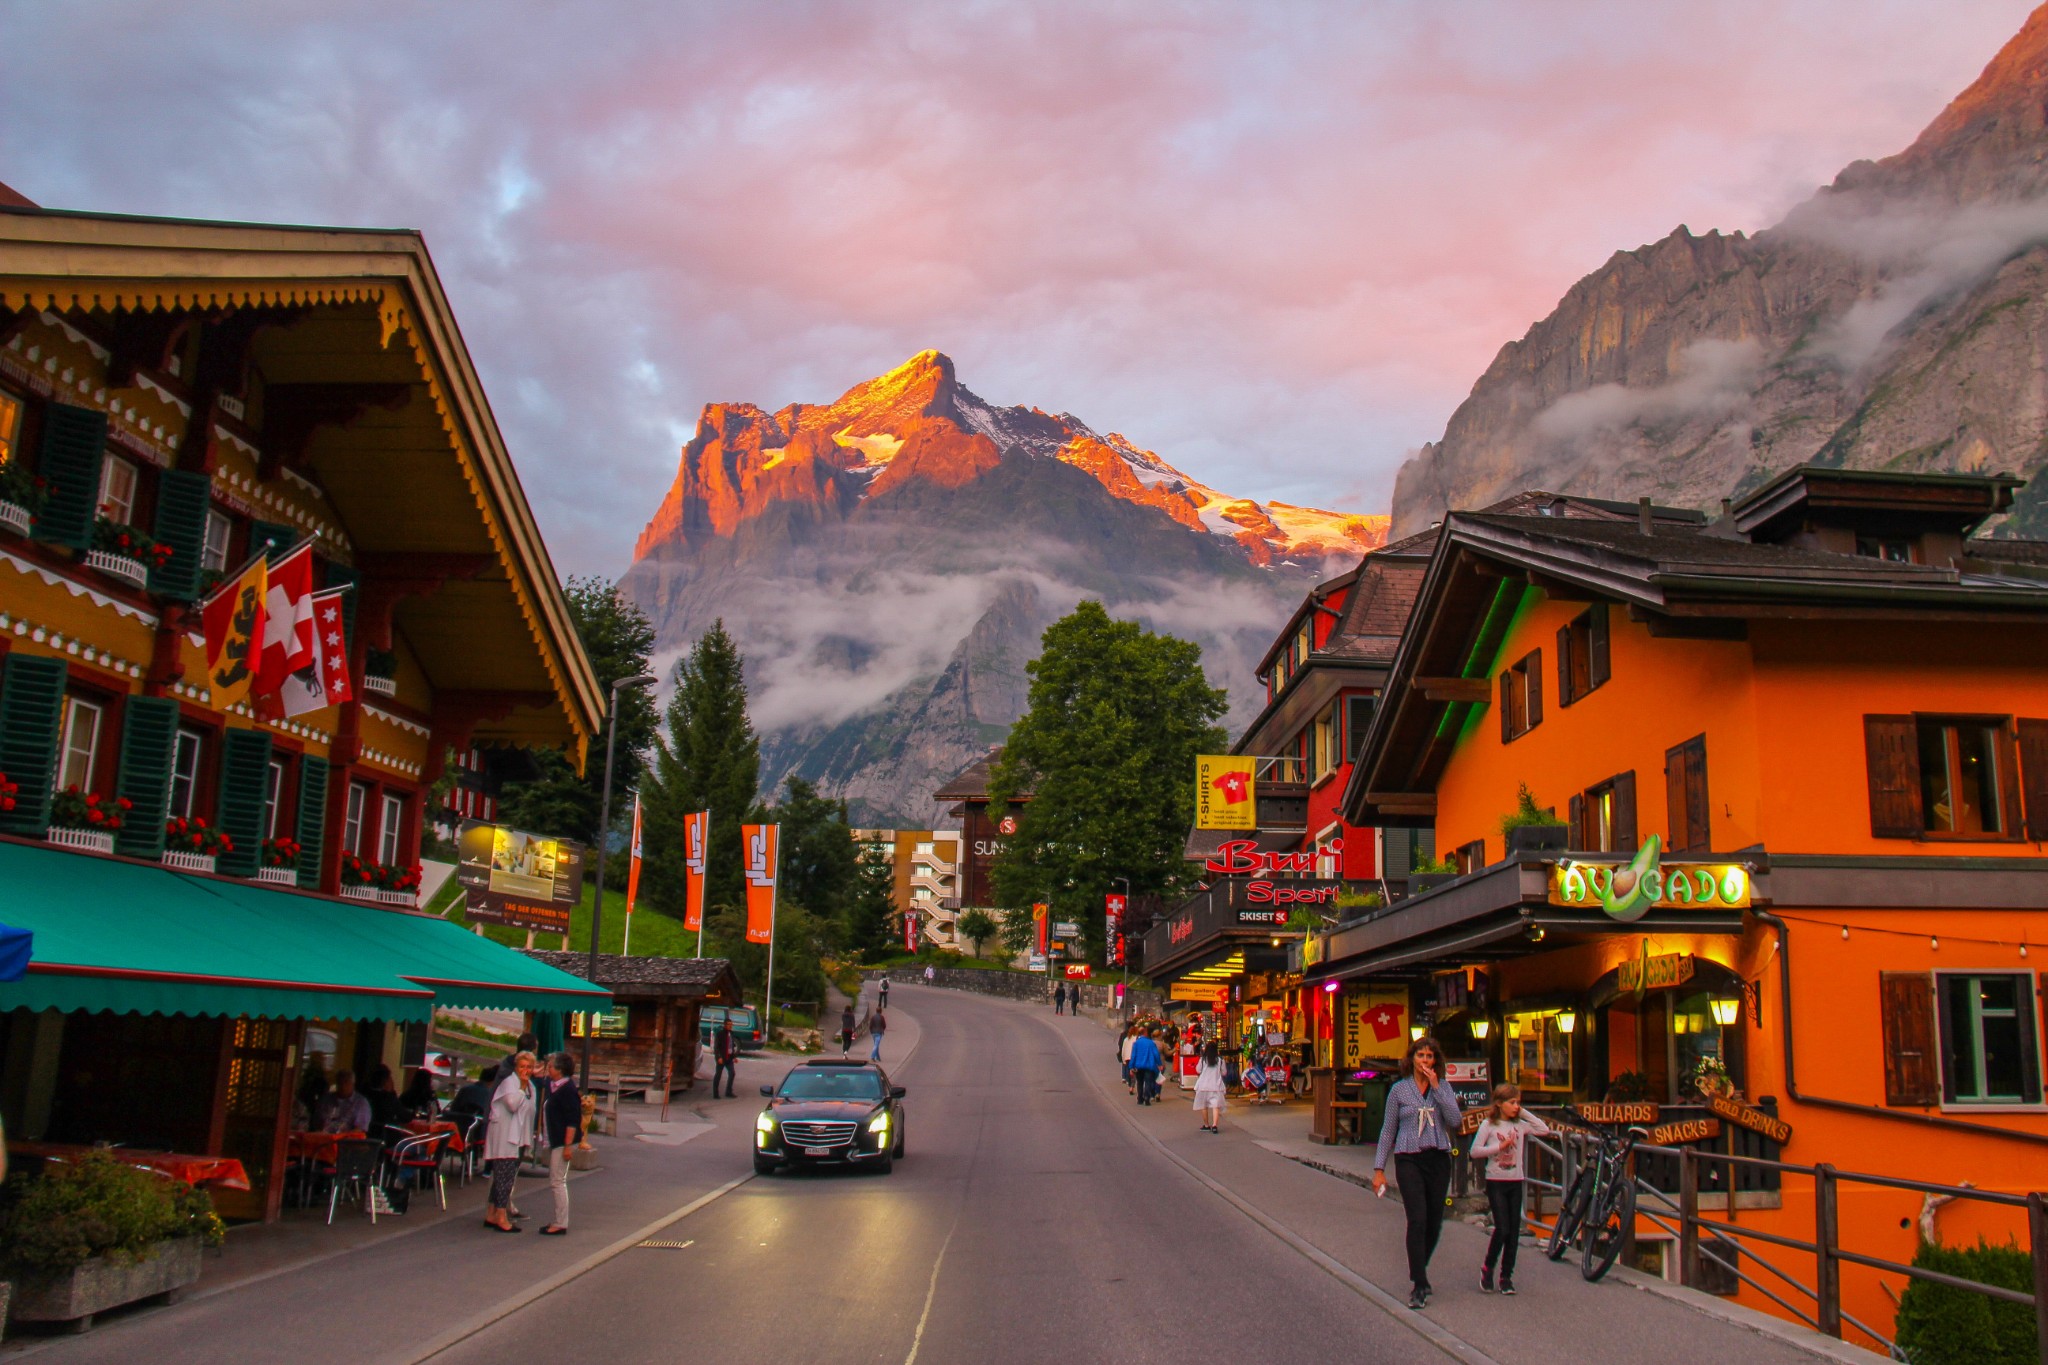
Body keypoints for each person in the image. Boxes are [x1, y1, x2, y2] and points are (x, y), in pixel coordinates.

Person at [1371, 1035, 1464, 1310]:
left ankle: (1419, 1265)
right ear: (1411, 1059)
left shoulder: (1442, 1087)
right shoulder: (1399, 1091)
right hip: (1409, 1157)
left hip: (1437, 1157)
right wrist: (1379, 1169)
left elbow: (1456, 1120)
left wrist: (1438, 1087)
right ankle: (1419, 1283)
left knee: (1435, 1220)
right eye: (1421, 1056)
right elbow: (1388, 1130)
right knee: (1418, 1218)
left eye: (1430, 1057)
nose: (1425, 1061)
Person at [1470, 1084, 1550, 1295]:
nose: (1516, 1106)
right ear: (1499, 1104)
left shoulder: (1520, 1125)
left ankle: (1506, 1276)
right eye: (1512, 1103)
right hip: (1496, 1180)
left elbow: (1544, 1129)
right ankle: (1488, 1266)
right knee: (1502, 1227)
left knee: (1514, 1231)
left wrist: (1522, 1112)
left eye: (1518, 1103)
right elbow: (1475, 1151)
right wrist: (1499, 1148)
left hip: (1516, 1180)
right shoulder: (1489, 1125)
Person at [484, 1051, 537, 1233]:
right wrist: (521, 1087)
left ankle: (491, 1212)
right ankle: (501, 1216)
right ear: (516, 1067)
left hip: (518, 1137)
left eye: (529, 1067)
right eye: (522, 1066)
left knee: (504, 1176)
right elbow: (513, 1105)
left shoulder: (530, 1086)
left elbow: (530, 1112)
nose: (525, 1070)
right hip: (504, 1135)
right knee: (504, 1177)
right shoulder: (510, 1083)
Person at [539, 1052, 581, 1236]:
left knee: (557, 1181)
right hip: (555, 1138)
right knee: (556, 1180)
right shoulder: (555, 1085)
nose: (548, 1069)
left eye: (551, 1067)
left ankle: (560, 1222)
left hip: (563, 1141)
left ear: (560, 1070)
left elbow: (572, 1120)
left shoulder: (568, 1090)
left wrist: (567, 1146)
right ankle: (558, 1220)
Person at [317, 1069, 371, 1134]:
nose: (343, 1086)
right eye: (340, 1082)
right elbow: (318, 1123)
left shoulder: (361, 1103)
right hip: (326, 1138)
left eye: (346, 1082)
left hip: (348, 1141)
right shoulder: (326, 1100)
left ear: (353, 1084)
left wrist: (341, 1137)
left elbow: (359, 1129)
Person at [1193, 1040, 1226, 1133]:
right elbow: (1224, 1072)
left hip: (1203, 1085)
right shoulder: (1220, 1060)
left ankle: (1206, 1125)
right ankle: (1214, 1125)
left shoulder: (1203, 1059)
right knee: (1215, 1106)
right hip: (1216, 1085)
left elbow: (1198, 1070)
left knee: (1204, 1106)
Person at [363, 1064, 403, 1139]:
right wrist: (392, 1092)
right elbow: (405, 1117)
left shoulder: (363, 1095)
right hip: (389, 1140)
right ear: (385, 1082)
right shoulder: (389, 1099)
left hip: (366, 1137)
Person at [1128, 1028, 1162, 1106]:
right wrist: (1159, 1064)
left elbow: (1133, 1056)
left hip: (1138, 1066)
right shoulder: (1151, 1043)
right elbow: (1156, 1054)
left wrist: (1131, 1067)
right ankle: (1147, 1097)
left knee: (1140, 1082)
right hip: (1149, 1065)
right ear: (1145, 1033)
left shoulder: (1136, 1043)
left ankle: (1140, 1098)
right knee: (1148, 1082)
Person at [712, 1019, 738, 1098]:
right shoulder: (720, 1034)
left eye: (731, 1024)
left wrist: (734, 1057)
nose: (730, 1026)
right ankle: (715, 1093)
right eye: (728, 1024)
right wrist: (718, 1057)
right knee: (718, 1075)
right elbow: (716, 1047)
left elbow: (731, 1047)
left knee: (732, 1073)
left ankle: (728, 1091)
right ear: (725, 1025)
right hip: (722, 1058)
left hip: (729, 1058)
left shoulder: (731, 1034)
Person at [1119, 1025, 1137, 1093]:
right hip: (1133, 1057)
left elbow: (1123, 1049)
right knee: (1133, 1072)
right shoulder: (1135, 1039)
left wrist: (1123, 1058)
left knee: (1129, 1071)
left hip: (1127, 1057)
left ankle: (1129, 1083)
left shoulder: (1126, 1039)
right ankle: (1131, 1086)